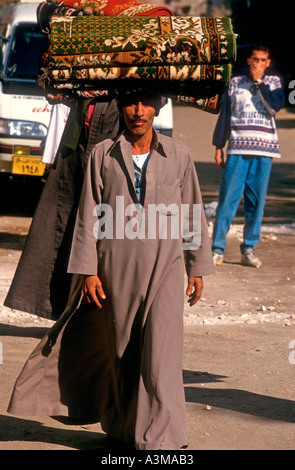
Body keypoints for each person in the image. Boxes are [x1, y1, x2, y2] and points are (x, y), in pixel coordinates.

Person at [8, 92, 214, 450]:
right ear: (120, 109)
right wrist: (88, 270)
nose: (138, 112)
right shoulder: (102, 154)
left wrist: (196, 265)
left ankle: (164, 441)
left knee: (162, 356)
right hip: (114, 269)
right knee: (121, 353)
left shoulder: (178, 155)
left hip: (164, 267)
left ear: (158, 108)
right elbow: (89, 215)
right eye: (132, 103)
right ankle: (122, 427)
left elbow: (192, 210)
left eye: (146, 103)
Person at [211, 44, 285, 268]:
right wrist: (218, 146)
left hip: (264, 150)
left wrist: (260, 83)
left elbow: (274, 106)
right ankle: (217, 249)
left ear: (268, 63)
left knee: (256, 202)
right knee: (228, 201)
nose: (259, 64)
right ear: (249, 60)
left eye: (263, 60)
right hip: (238, 149)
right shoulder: (234, 83)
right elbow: (225, 116)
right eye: (255, 60)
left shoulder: (274, 84)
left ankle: (249, 248)